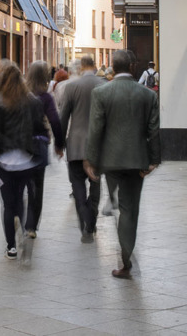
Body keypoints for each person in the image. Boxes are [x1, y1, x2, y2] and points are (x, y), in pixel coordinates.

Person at [85, 49, 161, 279]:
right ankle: (126, 258)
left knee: (120, 202)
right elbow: (153, 131)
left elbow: (96, 129)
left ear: (113, 67)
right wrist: (153, 161)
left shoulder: (101, 93)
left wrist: (91, 160)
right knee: (130, 210)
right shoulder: (148, 95)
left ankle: (114, 200)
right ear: (132, 67)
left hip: (111, 161)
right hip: (137, 161)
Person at [0, 63, 48, 259]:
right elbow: (39, 128)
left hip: (5, 162)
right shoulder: (31, 101)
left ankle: (11, 247)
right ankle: (22, 228)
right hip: (25, 161)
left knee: (7, 204)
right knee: (21, 197)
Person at [59, 55, 102, 243]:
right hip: (97, 146)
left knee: (77, 187)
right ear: (94, 66)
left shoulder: (71, 87)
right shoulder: (103, 85)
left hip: (75, 145)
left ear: (81, 67)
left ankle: (85, 223)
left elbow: (63, 118)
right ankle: (91, 222)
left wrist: (59, 144)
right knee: (95, 185)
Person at [24, 61, 64, 238]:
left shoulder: (21, 94)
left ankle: (17, 214)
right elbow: (55, 121)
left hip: (20, 146)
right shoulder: (46, 97)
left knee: (19, 185)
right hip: (39, 146)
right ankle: (31, 226)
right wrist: (59, 144)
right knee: (37, 188)